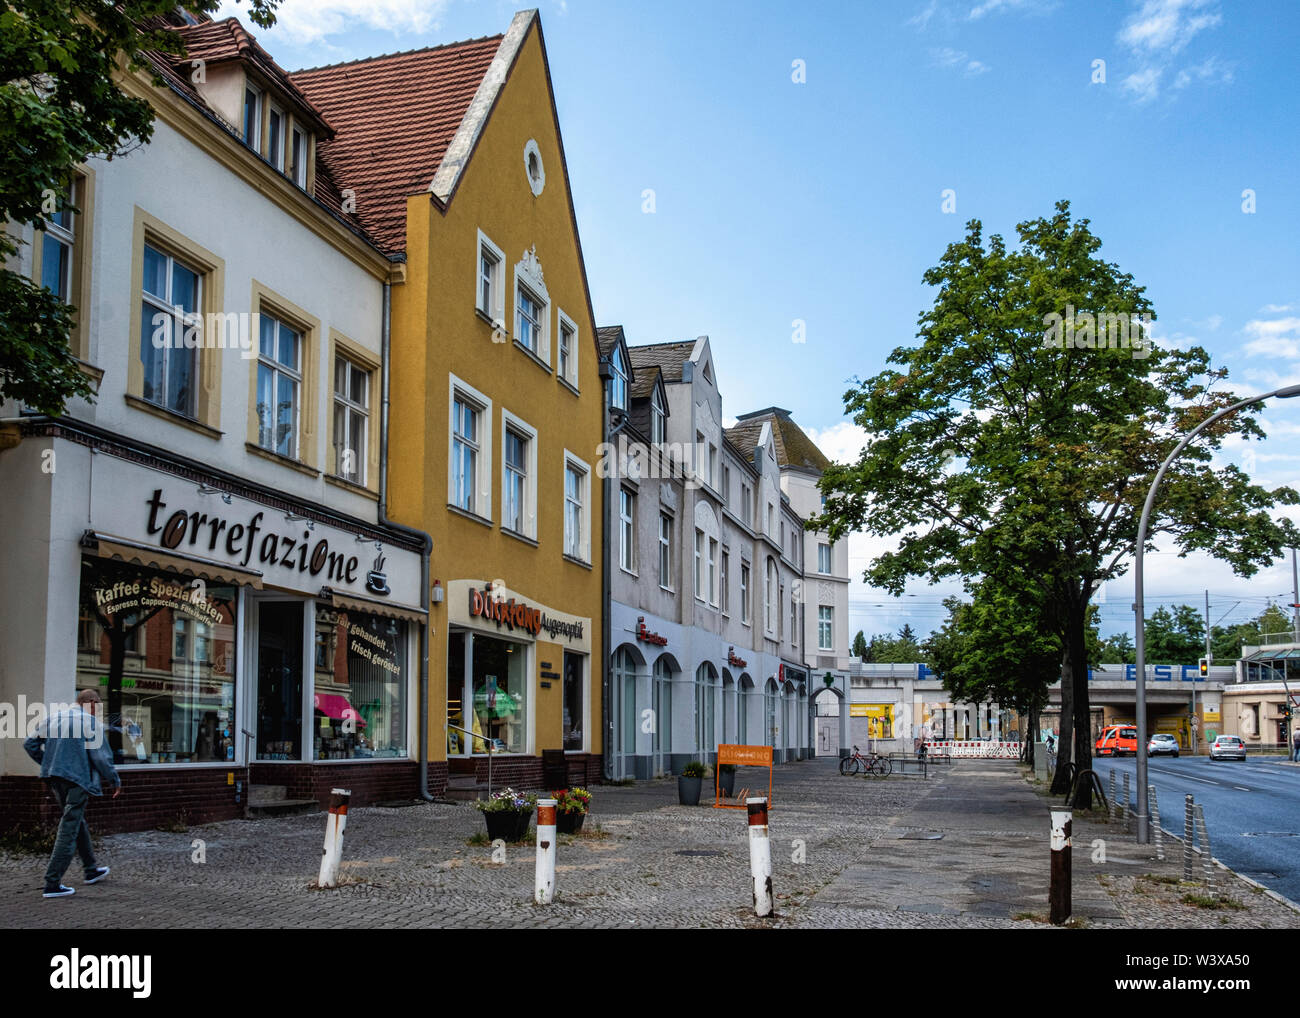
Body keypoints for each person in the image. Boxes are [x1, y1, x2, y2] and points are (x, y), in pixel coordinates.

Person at [23, 689, 121, 898]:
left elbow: (29, 744)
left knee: (76, 820)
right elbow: (101, 758)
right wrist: (114, 780)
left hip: (54, 779)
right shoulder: (90, 723)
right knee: (68, 827)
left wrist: (49, 764)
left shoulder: (53, 717)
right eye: (99, 705)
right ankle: (52, 883)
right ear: (92, 702)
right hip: (77, 779)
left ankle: (90, 869)